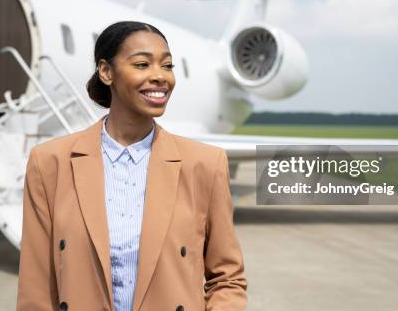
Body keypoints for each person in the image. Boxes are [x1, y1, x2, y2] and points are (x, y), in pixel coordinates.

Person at [16, 20, 248, 311]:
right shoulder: (49, 163)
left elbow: (227, 279)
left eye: (167, 66)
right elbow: (35, 285)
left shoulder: (206, 164)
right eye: (142, 65)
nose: (160, 77)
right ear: (106, 72)